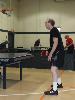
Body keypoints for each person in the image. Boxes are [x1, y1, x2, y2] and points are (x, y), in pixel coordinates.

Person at [44, 19, 64, 95]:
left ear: (49, 23)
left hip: (58, 53)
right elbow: (54, 44)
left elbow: (55, 44)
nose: (45, 25)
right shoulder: (54, 30)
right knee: (56, 69)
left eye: (46, 23)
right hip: (59, 52)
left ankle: (55, 90)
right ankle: (59, 84)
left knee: (53, 69)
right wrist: (49, 50)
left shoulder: (53, 30)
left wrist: (50, 54)